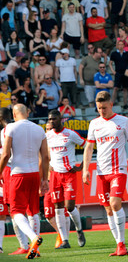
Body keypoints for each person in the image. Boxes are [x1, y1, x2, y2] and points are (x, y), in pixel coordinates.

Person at [83, 91, 128, 256]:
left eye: (104, 107)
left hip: (119, 170)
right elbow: (89, 148)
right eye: (98, 108)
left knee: (115, 204)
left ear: (111, 104)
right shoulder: (94, 124)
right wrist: (85, 170)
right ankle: (119, 245)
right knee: (108, 210)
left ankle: (122, 243)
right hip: (101, 172)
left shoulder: (123, 121)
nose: (101, 111)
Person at [0, 104, 50, 259]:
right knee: (33, 210)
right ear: (27, 113)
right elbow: (46, 157)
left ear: (14, 114)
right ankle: (36, 247)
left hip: (18, 174)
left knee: (16, 212)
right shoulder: (39, 129)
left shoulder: (11, 128)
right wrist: (45, 179)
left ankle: (33, 238)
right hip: (34, 173)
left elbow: (6, 154)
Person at [46, 110, 86, 249]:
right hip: (55, 175)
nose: (52, 121)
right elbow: (45, 154)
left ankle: (79, 230)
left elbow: (87, 146)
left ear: (61, 119)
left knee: (69, 207)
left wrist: (82, 165)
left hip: (69, 175)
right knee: (58, 207)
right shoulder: (48, 136)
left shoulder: (70, 134)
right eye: (50, 119)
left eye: (54, 119)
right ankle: (65, 240)